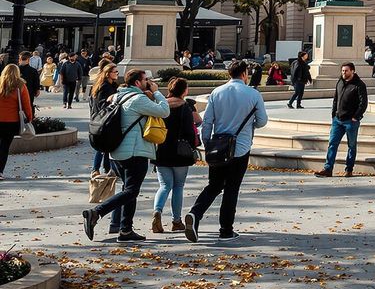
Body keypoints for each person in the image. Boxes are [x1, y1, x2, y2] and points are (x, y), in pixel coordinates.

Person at [183, 60, 268, 242]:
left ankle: (195, 213)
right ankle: (226, 229)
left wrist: (206, 142)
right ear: (244, 74)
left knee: (214, 185)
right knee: (232, 188)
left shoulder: (217, 92)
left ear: (229, 73)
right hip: (240, 147)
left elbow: (207, 122)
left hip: (218, 147)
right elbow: (262, 121)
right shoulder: (253, 94)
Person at [82, 68, 170, 242]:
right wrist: (157, 92)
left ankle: (125, 230)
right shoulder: (138, 99)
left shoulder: (116, 96)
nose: (148, 82)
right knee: (131, 190)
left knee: (129, 190)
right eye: (145, 80)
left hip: (116, 152)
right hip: (135, 152)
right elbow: (164, 111)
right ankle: (96, 213)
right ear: (137, 83)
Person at [152, 77, 201, 233]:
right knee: (178, 186)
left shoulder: (161, 105)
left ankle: (157, 212)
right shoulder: (185, 107)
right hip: (180, 151)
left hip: (161, 149)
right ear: (184, 90)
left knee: (164, 185)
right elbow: (190, 129)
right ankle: (176, 221)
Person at [315, 62, 368, 178]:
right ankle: (328, 169)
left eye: (346, 71)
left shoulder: (359, 85)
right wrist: (333, 114)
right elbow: (335, 99)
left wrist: (356, 116)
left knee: (351, 146)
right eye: (343, 71)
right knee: (332, 144)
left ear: (352, 71)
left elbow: (363, 103)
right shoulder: (340, 82)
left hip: (351, 121)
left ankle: (349, 169)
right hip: (337, 120)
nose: (344, 73)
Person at [0, 64, 35, 180]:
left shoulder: (0, 84)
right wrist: (29, 118)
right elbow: (26, 104)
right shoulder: (20, 86)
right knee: (4, 147)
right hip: (11, 122)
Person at [89, 63, 121, 176]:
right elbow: (102, 104)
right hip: (104, 119)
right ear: (108, 73)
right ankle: (100, 169)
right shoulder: (104, 86)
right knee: (105, 146)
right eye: (115, 72)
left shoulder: (109, 85)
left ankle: (103, 169)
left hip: (101, 119)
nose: (117, 74)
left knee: (105, 146)